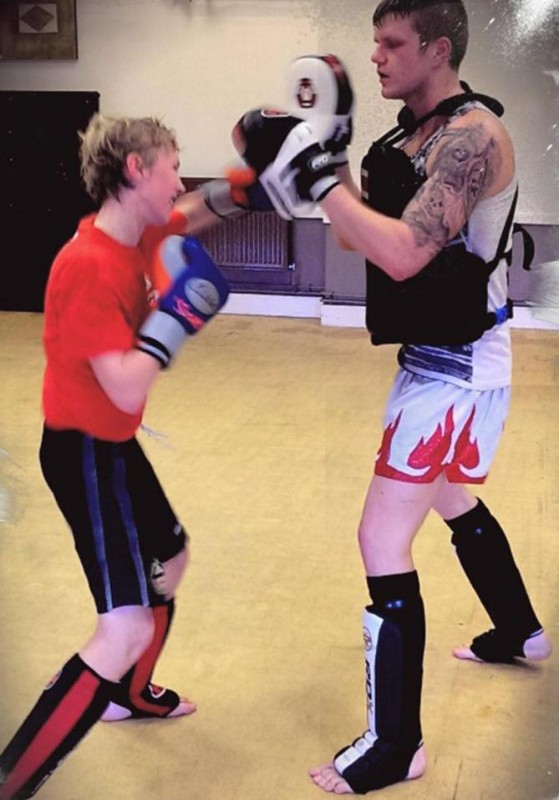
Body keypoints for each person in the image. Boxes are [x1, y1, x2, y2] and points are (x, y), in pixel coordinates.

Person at [233, 0, 553, 794]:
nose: (374, 56)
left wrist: (314, 173)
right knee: (449, 496)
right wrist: (317, 163)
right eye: (373, 41)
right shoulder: (404, 139)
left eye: (391, 42)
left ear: (437, 49)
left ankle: (395, 746)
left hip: (455, 367)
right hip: (435, 357)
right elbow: (359, 235)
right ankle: (519, 631)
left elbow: (407, 253)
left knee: (380, 540)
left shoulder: (472, 137)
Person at [0, 112, 265, 800]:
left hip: (114, 445)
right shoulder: (85, 265)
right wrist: (176, 319)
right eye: (170, 166)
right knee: (122, 628)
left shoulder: (135, 232)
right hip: (84, 451)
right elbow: (122, 385)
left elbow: (191, 212)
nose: (178, 179)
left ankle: (131, 694)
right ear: (135, 169)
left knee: (170, 561)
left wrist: (254, 185)